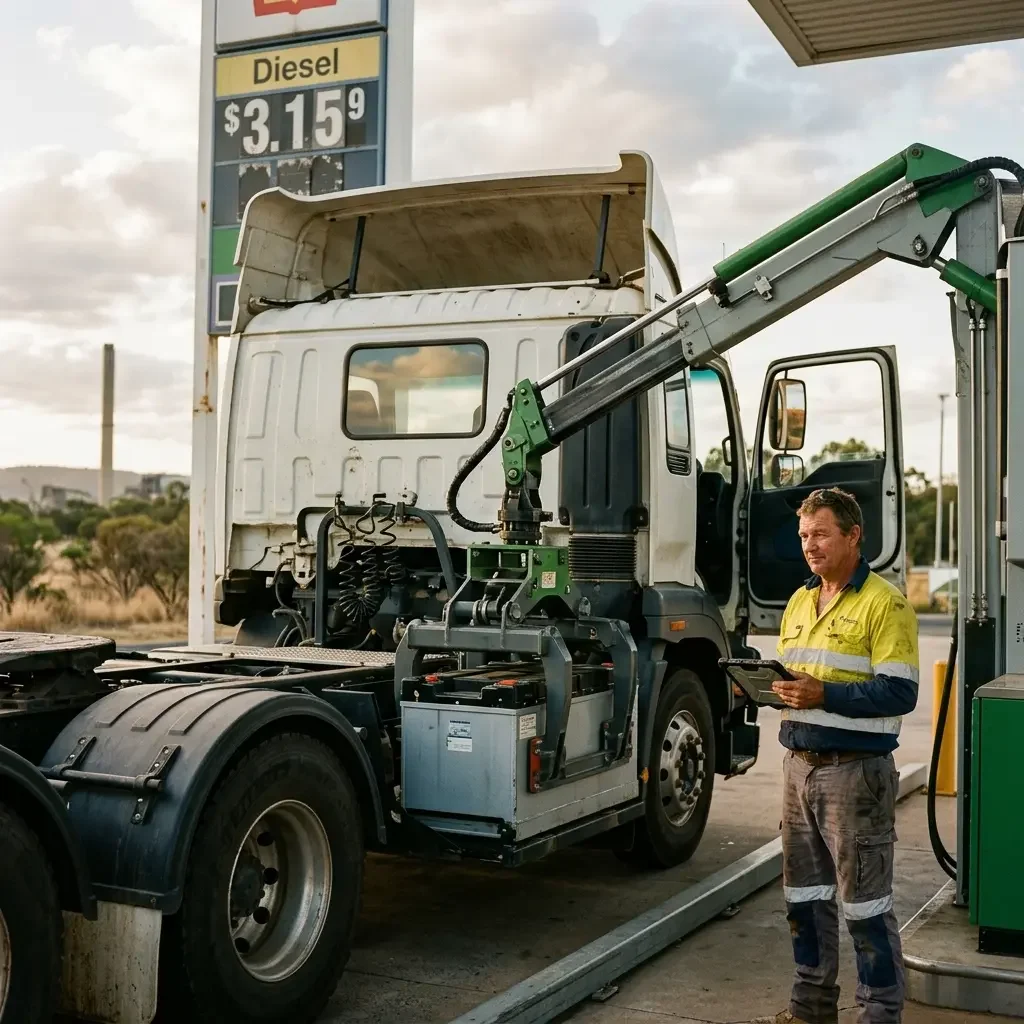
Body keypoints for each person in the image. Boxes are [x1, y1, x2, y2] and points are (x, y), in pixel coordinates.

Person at [766, 487, 919, 1024]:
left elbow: (901, 693)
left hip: (855, 773)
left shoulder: (886, 602)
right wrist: (764, 689)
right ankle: (809, 1009)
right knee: (804, 900)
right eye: (805, 535)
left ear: (855, 536)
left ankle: (879, 1015)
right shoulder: (799, 600)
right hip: (798, 770)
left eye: (821, 533)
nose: (810, 545)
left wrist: (822, 693)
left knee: (865, 906)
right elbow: (796, 679)